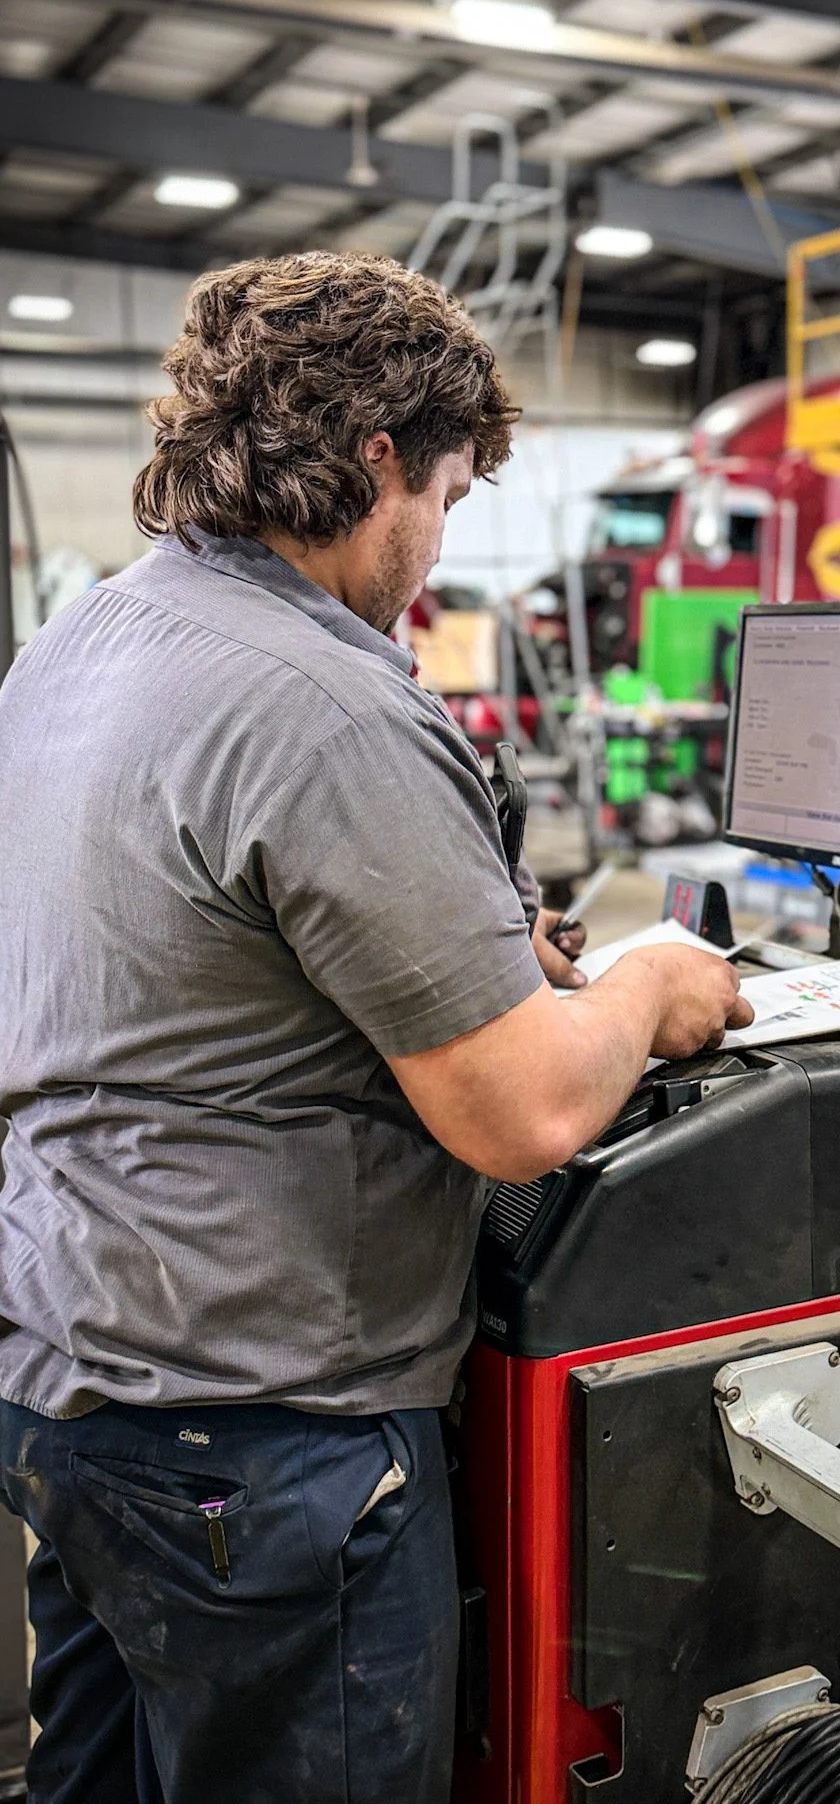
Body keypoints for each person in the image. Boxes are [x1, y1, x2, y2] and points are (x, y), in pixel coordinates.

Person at [0, 252, 752, 1804]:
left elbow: (179, 964)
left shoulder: (82, 643)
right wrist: (651, 986)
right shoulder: (328, 702)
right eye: (454, 499)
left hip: (73, 1384)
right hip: (262, 1445)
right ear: (380, 458)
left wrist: (467, 954)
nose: (435, 551)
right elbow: (525, 1115)